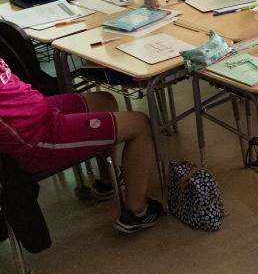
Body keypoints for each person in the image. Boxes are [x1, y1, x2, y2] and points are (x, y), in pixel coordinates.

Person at [0, 57, 163, 233]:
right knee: (140, 124)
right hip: (37, 139)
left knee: (105, 101)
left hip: (41, 112)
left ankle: (108, 181)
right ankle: (138, 210)